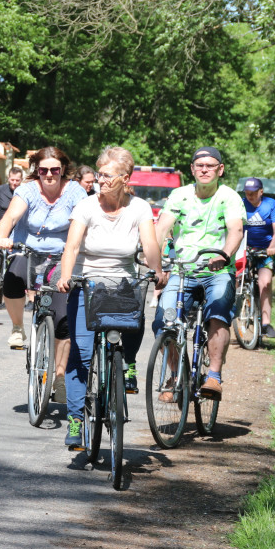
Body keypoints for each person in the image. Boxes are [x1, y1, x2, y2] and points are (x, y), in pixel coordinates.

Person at [56, 147, 165, 446]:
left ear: (125, 179)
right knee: (81, 352)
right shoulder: (86, 207)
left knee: (136, 318)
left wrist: (157, 271)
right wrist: (66, 276)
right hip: (86, 282)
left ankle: (126, 362)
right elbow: (73, 246)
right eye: (98, 174)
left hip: (122, 284)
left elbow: (149, 243)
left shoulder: (139, 208)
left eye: (106, 175)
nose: (99, 180)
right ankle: (77, 420)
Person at [0, 147, 86, 403]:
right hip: (28, 250)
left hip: (61, 257)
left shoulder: (75, 192)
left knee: (62, 319)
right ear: (37, 170)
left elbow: (83, 221)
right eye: (43, 169)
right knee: (12, 278)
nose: (49, 174)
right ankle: (17, 327)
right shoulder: (28, 190)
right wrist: (2, 236)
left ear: (63, 170)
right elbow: (11, 216)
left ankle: (59, 376)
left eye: (54, 169)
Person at [153, 146, 244, 400]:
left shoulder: (229, 197)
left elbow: (235, 230)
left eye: (210, 165)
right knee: (163, 321)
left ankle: (213, 376)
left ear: (220, 170)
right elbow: (161, 229)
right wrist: (155, 263)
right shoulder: (179, 195)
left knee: (217, 314)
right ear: (192, 169)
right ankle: (176, 374)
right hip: (183, 271)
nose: (205, 169)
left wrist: (224, 254)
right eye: (200, 165)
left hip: (217, 270)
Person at [241, 177, 275, 339]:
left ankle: (265, 323)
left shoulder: (271, 204)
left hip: (266, 249)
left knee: (265, 283)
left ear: (261, 192)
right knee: (236, 279)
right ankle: (235, 311)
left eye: (253, 193)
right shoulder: (241, 204)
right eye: (247, 193)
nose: (249, 196)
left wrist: (272, 246)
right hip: (245, 248)